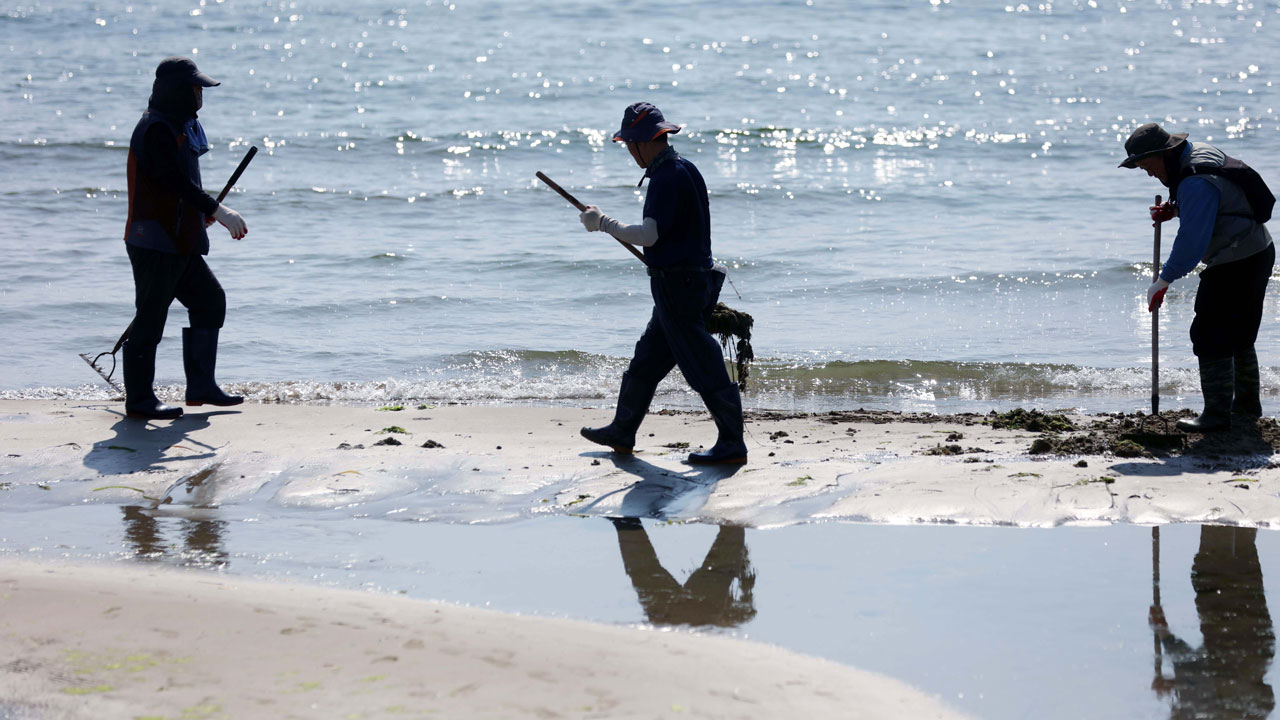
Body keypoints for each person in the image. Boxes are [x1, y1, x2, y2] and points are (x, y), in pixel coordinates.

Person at [577, 102, 747, 464]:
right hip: (693, 279)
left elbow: (650, 235)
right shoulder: (686, 169)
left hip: (679, 286)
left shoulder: (665, 177)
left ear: (641, 142)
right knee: (648, 360)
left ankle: (732, 443)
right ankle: (622, 431)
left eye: (628, 145)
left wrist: (602, 222)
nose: (629, 152)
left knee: (702, 360)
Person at [1120, 123, 1275, 432]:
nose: (1147, 173)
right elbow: (1223, 203)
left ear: (1163, 154)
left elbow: (1192, 243)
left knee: (1209, 334)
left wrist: (1163, 281)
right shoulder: (1201, 155)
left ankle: (1216, 417)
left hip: (1236, 260)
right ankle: (1246, 408)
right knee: (1240, 334)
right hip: (1258, 250)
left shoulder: (1193, 182)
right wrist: (1176, 210)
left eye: (1146, 165)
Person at [122, 57, 248, 419]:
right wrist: (220, 212)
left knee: (210, 301)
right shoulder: (155, 129)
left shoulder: (182, 125)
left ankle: (201, 387)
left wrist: (201, 213)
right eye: (195, 88)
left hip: (179, 238)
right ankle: (140, 401)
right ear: (176, 91)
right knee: (150, 318)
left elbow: (185, 188)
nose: (200, 95)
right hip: (154, 239)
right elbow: (172, 183)